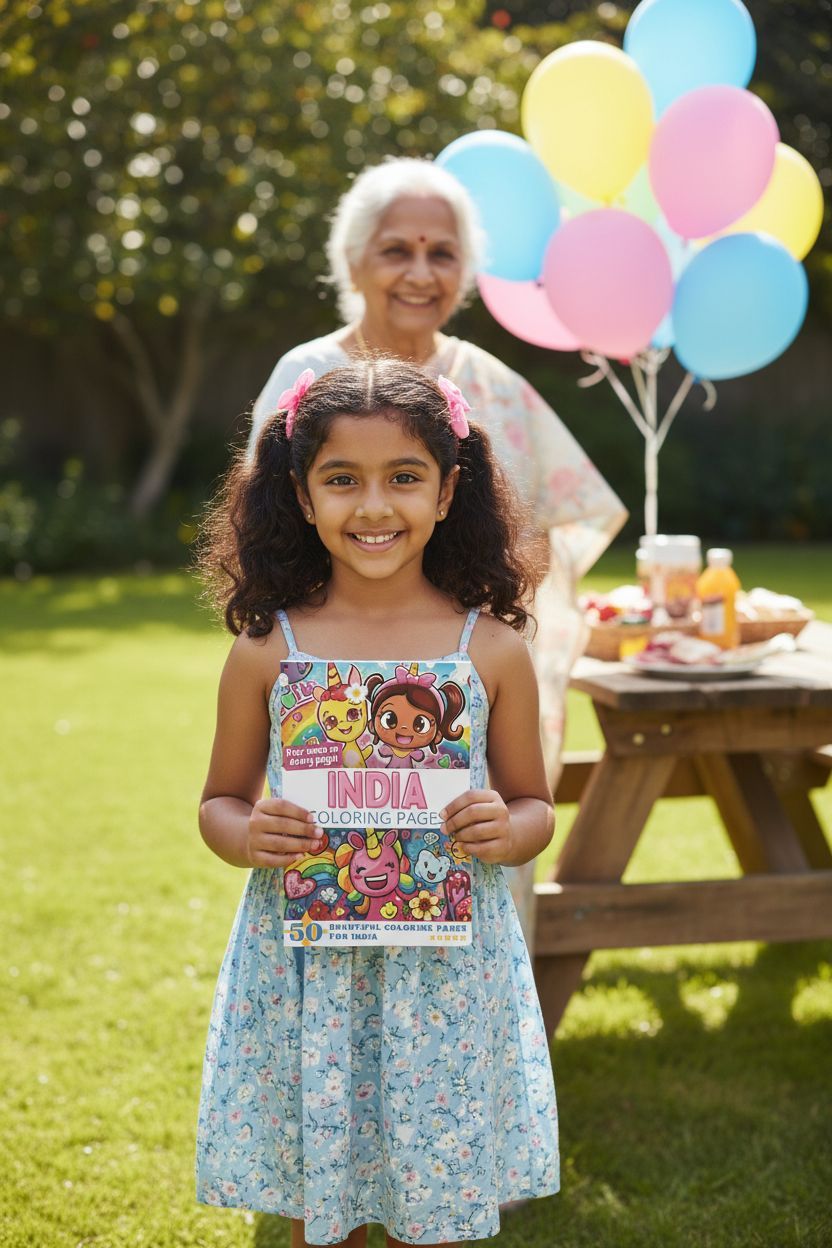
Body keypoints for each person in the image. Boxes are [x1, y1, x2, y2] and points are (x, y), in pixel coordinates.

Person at [196, 359, 560, 1247]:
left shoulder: (493, 647)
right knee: (316, 1195)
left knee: (428, 1187)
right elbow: (218, 802)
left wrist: (504, 830)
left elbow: (535, 806)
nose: (373, 507)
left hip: (445, 968)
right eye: (342, 480)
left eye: (404, 478)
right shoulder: (267, 647)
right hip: (307, 967)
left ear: (448, 492)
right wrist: (251, 835)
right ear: (300, 492)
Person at [247, 157, 627, 941]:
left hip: (467, 698)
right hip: (336, 700)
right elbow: (268, 533)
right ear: (352, 260)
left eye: (442, 252)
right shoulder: (308, 375)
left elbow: (548, 534)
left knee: (475, 883)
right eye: (397, 249)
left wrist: (471, 641)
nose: (421, 272)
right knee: (342, 892)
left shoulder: (492, 384)